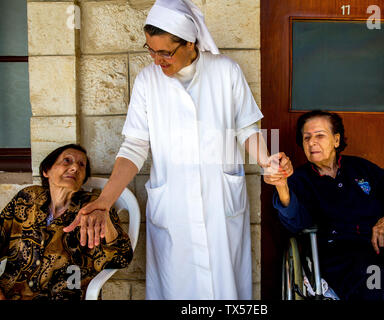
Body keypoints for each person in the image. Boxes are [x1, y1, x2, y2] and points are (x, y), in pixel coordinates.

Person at [63, 0, 292, 299]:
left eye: (165, 52)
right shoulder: (148, 81)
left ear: (189, 43)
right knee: (176, 288)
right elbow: (134, 146)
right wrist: (106, 201)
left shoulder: (225, 71)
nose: (157, 60)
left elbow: (246, 128)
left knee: (224, 290)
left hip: (219, 203)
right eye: (151, 50)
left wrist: (267, 162)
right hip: (174, 209)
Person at [271, 110, 384, 300]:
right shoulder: (300, 180)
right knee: (378, 283)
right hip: (344, 255)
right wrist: (282, 185)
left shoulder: (362, 168)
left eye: (320, 135)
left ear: (336, 140)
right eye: (306, 138)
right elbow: (296, 222)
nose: (312, 142)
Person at [0, 144, 133, 300]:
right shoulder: (28, 198)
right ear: (46, 171)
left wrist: (105, 215)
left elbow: (121, 258)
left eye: (81, 165)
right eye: (67, 161)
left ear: (83, 179)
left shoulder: (94, 208)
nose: (75, 167)